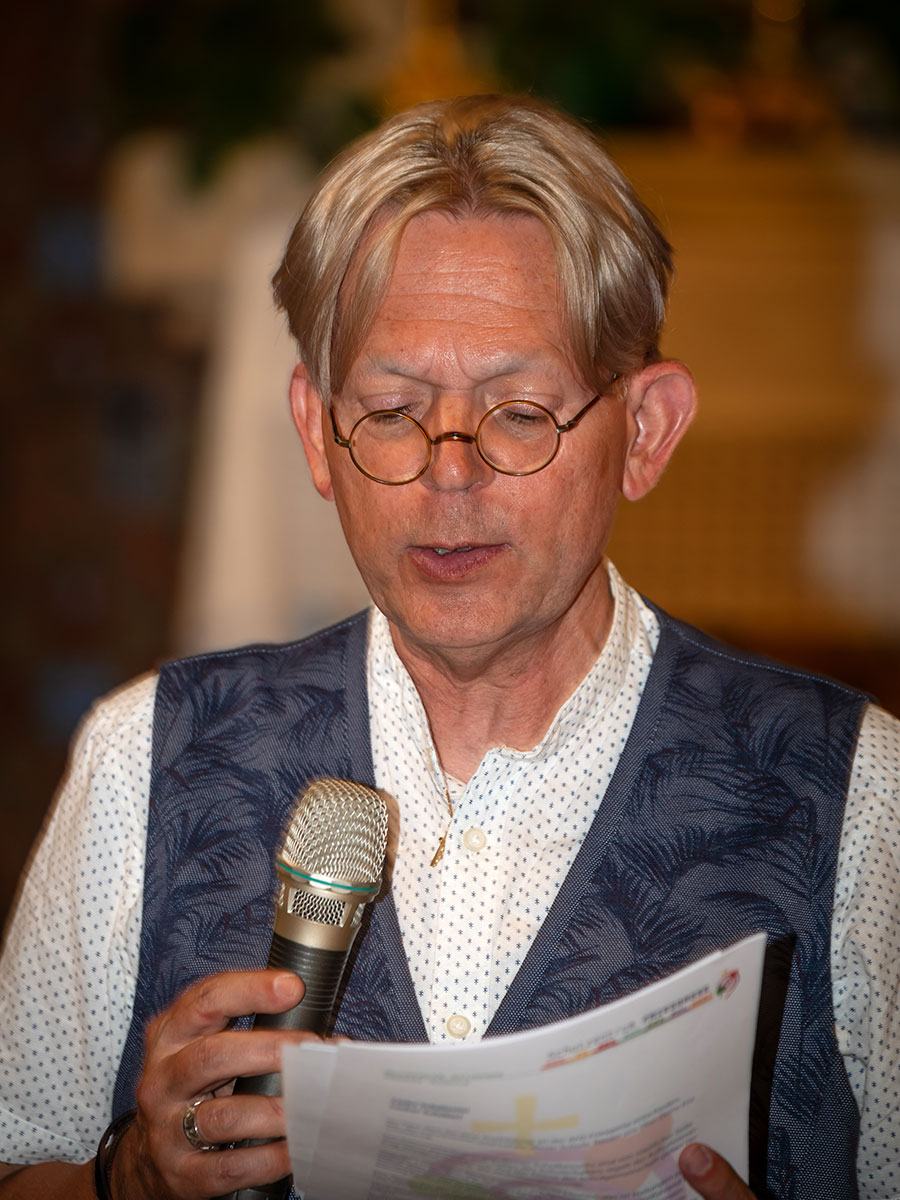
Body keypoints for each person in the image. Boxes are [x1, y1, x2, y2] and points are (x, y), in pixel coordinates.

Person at [1, 93, 898, 1200]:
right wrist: (126, 1179)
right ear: (316, 433)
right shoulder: (149, 757)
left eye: (520, 412)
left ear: (645, 430)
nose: (451, 472)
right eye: (391, 411)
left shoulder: (856, 796)